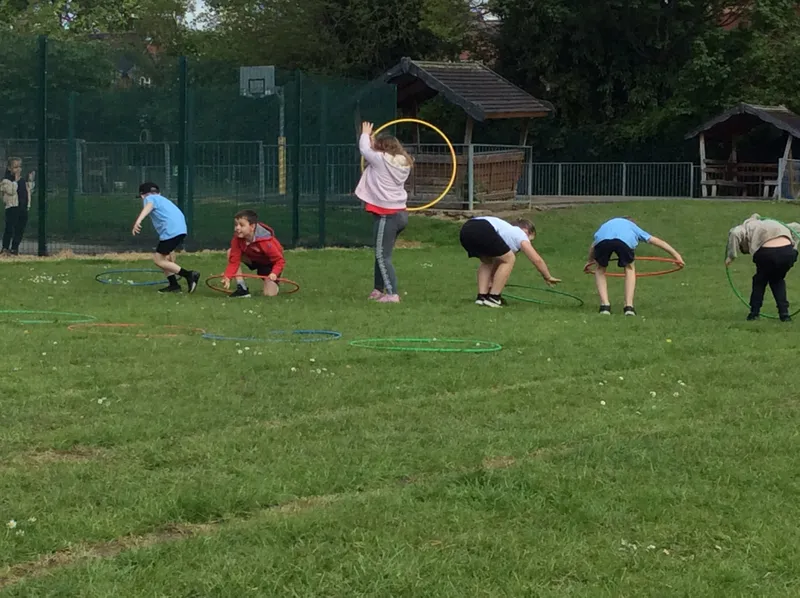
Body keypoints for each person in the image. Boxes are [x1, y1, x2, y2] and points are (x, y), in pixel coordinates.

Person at [355, 121, 412, 303]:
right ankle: (378, 289)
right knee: (382, 253)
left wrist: (365, 134)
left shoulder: (380, 161)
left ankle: (392, 293)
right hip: (400, 214)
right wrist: (374, 142)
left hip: (387, 215)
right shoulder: (400, 163)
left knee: (382, 255)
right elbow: (374, 152)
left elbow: (365, 150)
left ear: (382, 149)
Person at [584, 217, 684, 316]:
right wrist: (676, 256)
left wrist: (589, 262)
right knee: (629, 268)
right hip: (624, 242)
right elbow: (656, 241)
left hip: (602, 241)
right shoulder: (632, 226)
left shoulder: (608, 224)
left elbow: (594, 245)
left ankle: (604, 306)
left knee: (600, 269)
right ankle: (629, 307)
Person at [459, 216, 560, 308]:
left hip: (466, 230)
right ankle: (494, 298)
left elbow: (497, 266)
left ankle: (482, 297)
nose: (528, 243)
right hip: (482, 228)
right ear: (527, 231)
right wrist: (547, 276)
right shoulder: (520, 234)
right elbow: (536, 259)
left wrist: (491, 283)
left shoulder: (504, 232)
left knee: (487, 261)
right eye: (530, 240)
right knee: (509, 259)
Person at [726, 213, 800, 321]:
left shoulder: (746, 227)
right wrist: (794, 245)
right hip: (788, 254)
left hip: (766, 254)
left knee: (759, 281)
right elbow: (797, 227)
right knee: (777, 280)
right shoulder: (775, 223)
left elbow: (734, 233)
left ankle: (754, 313)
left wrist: (731, 256)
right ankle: (784, 314)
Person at [131, 182, 200, 293]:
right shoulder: (163, 200)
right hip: (180, 230)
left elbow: (149, 205)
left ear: (143, 195)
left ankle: (189, 275)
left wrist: (138, 221)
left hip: (171, 231)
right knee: (166, 259)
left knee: (158, 260)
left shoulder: (150, 199)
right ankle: (174, 285)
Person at [221, 209, 286, 298]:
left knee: (269, 294)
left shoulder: (266, 241)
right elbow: (234, 261)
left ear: (252, 227)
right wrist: (228, 277)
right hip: (253, 260)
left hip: (269, 266)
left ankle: (274, 284)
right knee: (230, 252)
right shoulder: (236, 240)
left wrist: (274, 273)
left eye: (242, 225)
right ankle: (242, 289)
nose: (237, 228)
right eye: (236, 225)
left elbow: (279, 261)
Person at [1, 157, 34, 255]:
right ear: (9, 168)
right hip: (12, 208)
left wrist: (30, 181)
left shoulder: (22, 180)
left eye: (19, 167)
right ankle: (5, 248)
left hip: (23, 207)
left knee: (20, 229)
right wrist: (15, 181)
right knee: (9, 228)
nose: (18, 169)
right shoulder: (6, 181)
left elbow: (28, 190)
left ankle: (14, 248)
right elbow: (11, 191)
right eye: (15, 167)